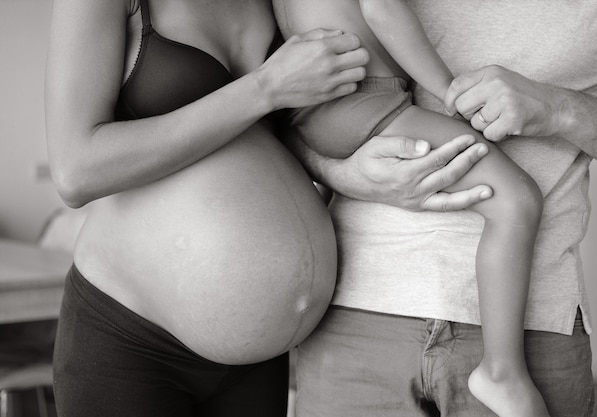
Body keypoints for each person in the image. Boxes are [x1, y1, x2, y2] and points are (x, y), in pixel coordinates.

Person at [44, 0, 491, 415]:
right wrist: (264, 88)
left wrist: (342, 173)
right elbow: (76, 171)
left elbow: (277, 133)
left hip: (259, 361)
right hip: (132, 342)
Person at [275, 1, 597, 416]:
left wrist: (559, 110)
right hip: (356, 319)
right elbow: (277, 109)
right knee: (516, 199)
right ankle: (502, 372)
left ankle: (503, 371)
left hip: (537, 328)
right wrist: (340, 172)